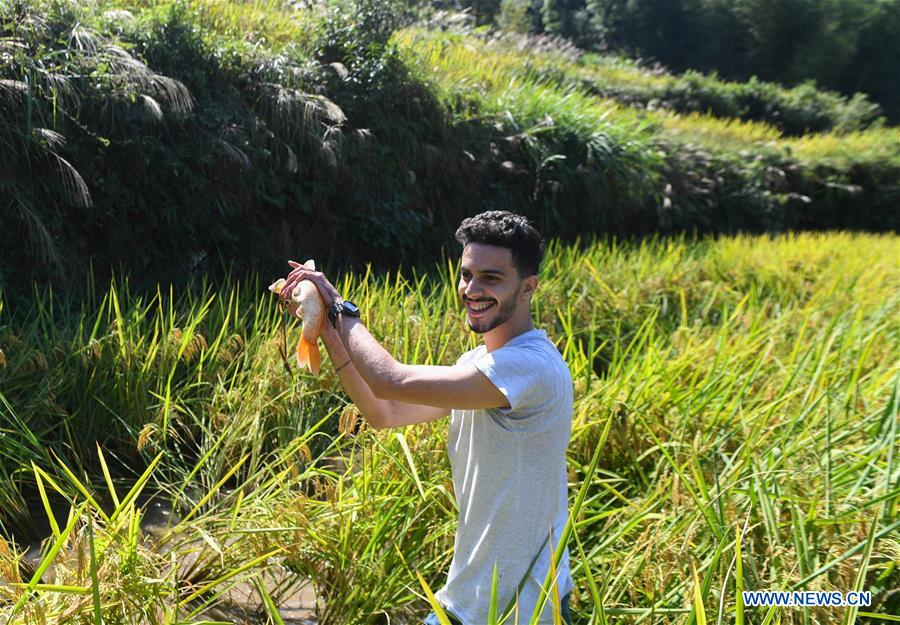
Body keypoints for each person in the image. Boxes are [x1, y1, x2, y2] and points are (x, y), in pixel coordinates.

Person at [279, 210, 574, 625]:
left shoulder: (530, 367)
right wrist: (326, 328)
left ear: (528, 288)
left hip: (519, 610)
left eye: (491, 278)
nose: (472, 289)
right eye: (466, 274)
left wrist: (340, 306)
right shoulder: (479, 363)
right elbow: (386, 410)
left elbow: (390, 379)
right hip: (469, 601)